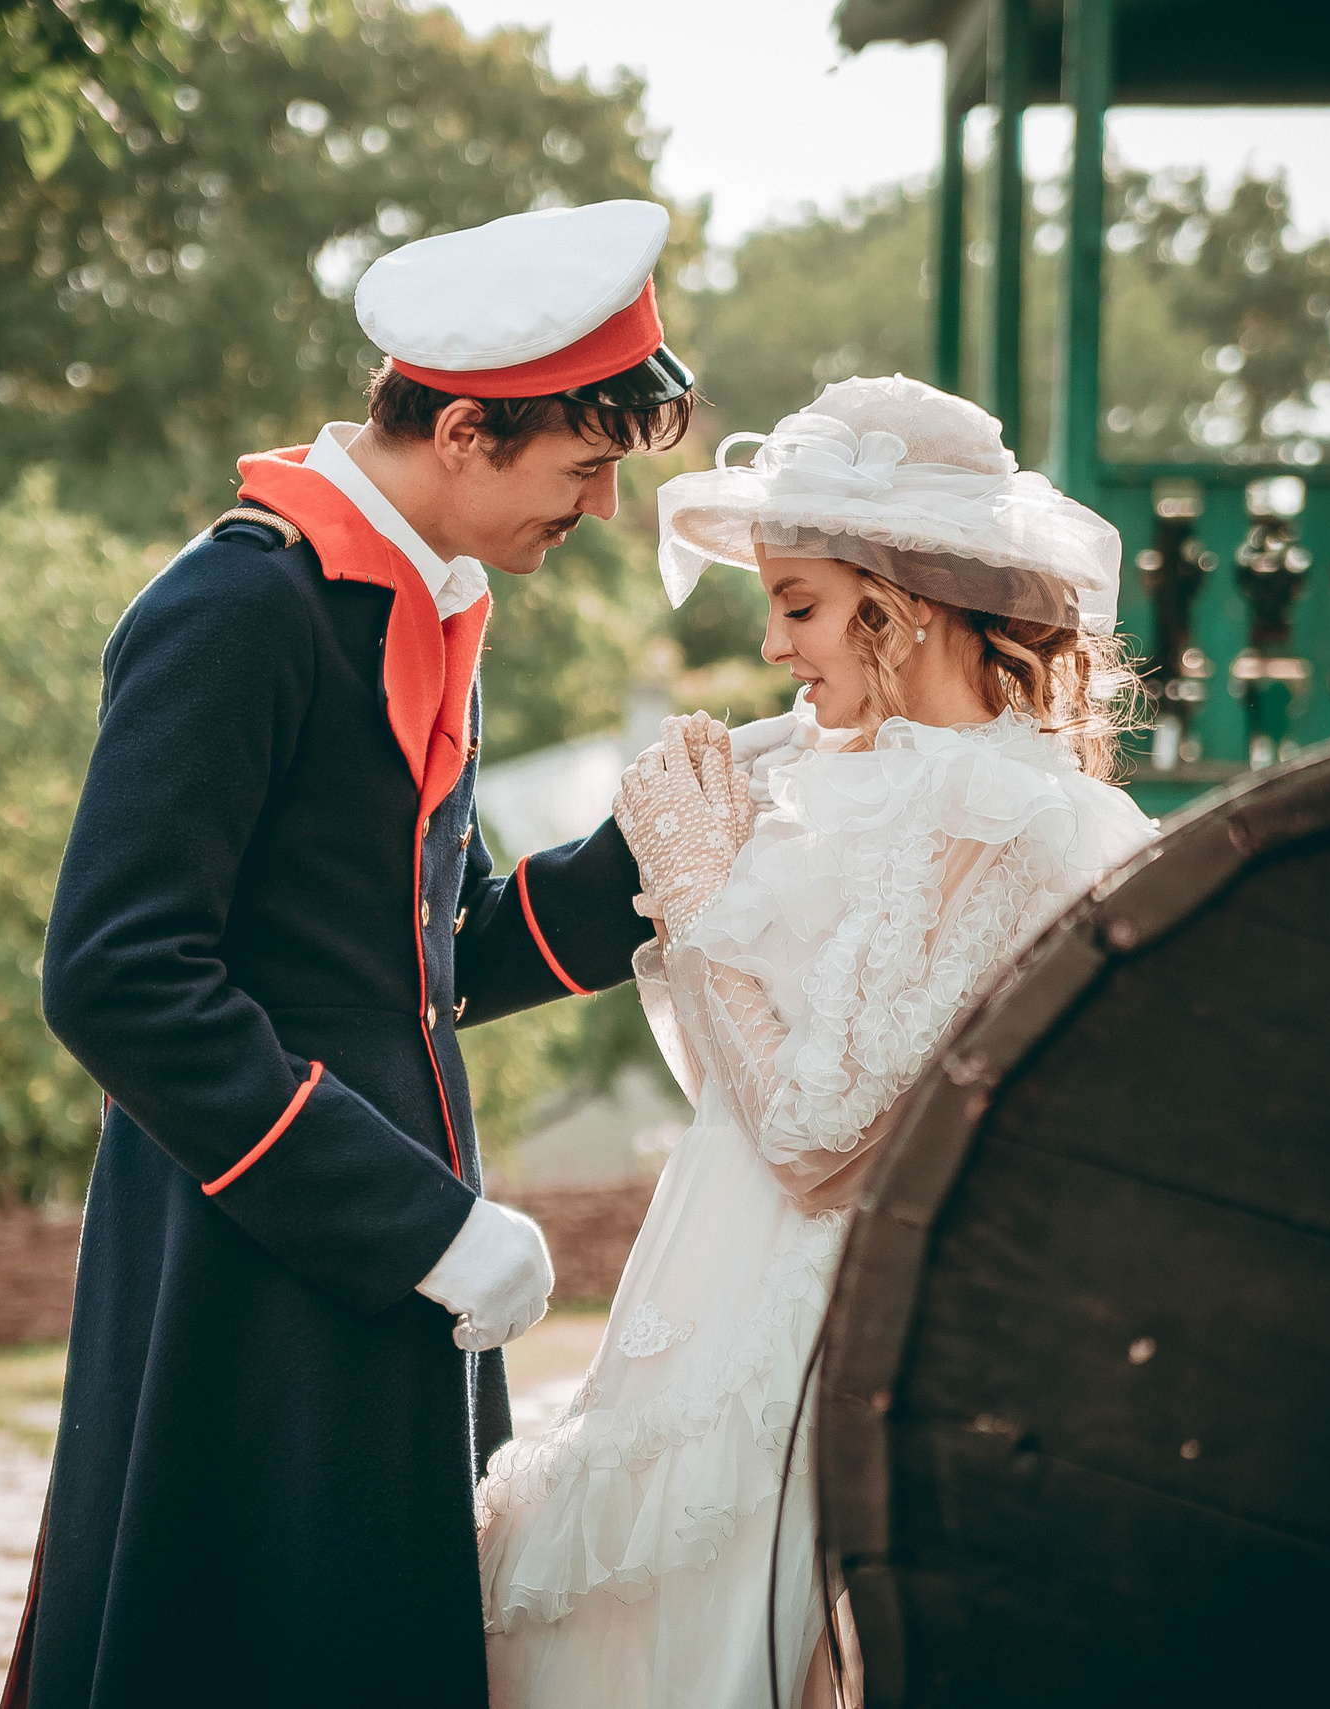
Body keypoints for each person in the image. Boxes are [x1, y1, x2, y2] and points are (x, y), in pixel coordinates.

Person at [8, 201, 694, 1708]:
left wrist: (658, 861)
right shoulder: (239, 603)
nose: (589, 512)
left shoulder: (428, 598)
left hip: (374, 1254)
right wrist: (418, 1225)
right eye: (581, 469)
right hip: (250, 1260)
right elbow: (117, 972)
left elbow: (420, 950)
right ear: (463, 430)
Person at [475, 375, 1159, 1708]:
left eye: (798, 605)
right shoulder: (834, 775)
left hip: (816, 1329)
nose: (779, 649)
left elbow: (815, 1138)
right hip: (712, 1282)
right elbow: (735, 1077)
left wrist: (698, 890)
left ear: (899, 602)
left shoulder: (1015, 815)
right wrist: (700, 883)